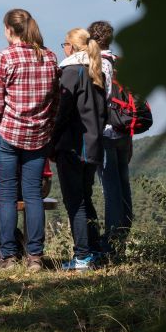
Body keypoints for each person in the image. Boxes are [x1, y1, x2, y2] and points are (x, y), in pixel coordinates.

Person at [0, 8, 59, 271]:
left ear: (9, 30)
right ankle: (35, 257)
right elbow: (55, 101)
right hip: (38, 136)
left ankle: (8, 257)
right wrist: (46, 127)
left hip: (7, 134)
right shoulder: (49, 57)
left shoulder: (5, 57)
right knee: (33, 197)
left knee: (7, 197)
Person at [51, 27, 108, 270]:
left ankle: (82, 255)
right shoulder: (96, 72)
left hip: (74, 145)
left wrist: (50, 138)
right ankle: (93, 250)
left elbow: (62, 111)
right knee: (86, 199)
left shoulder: (71, 72)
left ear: (72, 47)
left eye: (64, 44)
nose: (62, 48)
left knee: (75, 202)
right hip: (93, 145)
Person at [88, 20, 133, 257]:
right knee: (124, 186)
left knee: (111, 189)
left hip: (106, 132)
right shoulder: (120, 62)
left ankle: (112, 243)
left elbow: (99, 101)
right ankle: (123, 238)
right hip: (124, 131)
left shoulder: (99, 64)